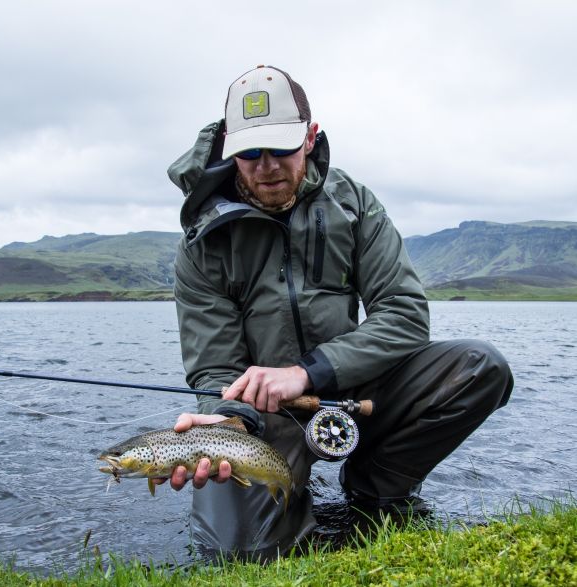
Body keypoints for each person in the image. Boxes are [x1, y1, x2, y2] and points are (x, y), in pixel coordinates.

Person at [160, 65, 514, 556]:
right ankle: (286, 501)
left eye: (281, 149)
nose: (266, 167)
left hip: (353, 390)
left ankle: (375, 486)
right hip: (263, 416)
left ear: (310, 136)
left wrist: (308, 373)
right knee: (237, 551)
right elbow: (214, 370)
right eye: (249, 154)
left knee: (481, 367)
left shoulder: (354, 204)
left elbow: (405, 314)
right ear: (229, 150)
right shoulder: (202, 241)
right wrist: (230, 422)